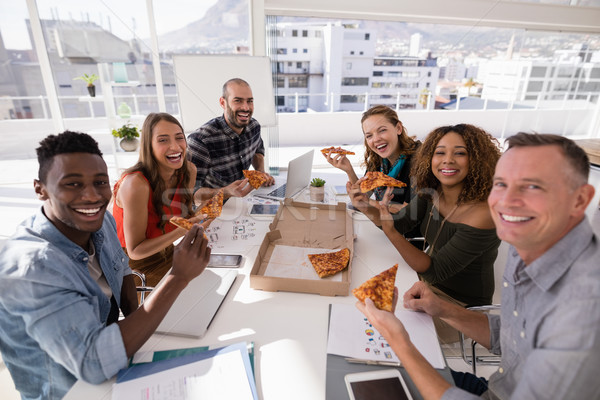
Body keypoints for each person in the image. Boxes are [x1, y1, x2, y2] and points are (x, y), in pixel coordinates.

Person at [357, 132, 600, 399]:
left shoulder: (581, 317)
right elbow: (507, 337)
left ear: (580, 200)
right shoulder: (526, 255)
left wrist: (399, 342)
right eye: (501, 184)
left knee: (371, 359)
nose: (506, 201)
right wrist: (443, 308)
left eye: (533, 186)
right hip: (492, 386)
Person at [0, 131, 211, 400]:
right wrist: (178, 278)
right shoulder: (33, 267)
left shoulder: (101, 222)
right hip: (73, 390)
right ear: (40, 189)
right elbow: (94, 364)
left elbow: (122, 271)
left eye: (100, 182)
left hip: (117, 364)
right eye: (72, 184)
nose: (91, 196)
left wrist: (144, 334)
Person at [352, 124, 502, 306]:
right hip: (421, 282)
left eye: (460, 153)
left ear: (478, 160)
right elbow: (402, 223)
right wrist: (364, 206)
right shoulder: (433, 191)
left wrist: (390, 232)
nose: (448, 160)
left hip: (459, 304)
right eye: (440, 153)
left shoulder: (483, 214)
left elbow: (435, 270)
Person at [113, 112, 208, 287]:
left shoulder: (188, 171)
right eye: (163, 140)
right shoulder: (136, 184)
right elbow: (135, 251)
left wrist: (206, 213)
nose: (175, 147)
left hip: (170, 253)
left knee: (213, 284)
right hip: (132, 269)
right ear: (149, 146)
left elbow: (185, 218)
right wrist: (184, 230)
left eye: (179, 138)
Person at [188, 78, 275, 202]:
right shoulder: (201, 141)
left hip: (242, 200)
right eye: (238, 101)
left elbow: (258, 150)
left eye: (249, 101)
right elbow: (189, 194)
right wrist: (226, 192)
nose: (246, 108)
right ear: (223, 103)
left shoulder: (254, 126)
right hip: (214, 209)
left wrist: (260, 172)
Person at [324, 105, 420, 218]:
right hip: (386, 222)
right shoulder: (378, 159)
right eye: (369, 136)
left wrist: (369, 202)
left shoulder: (419, 161)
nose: (376, 139)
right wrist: (349, 170)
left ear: (398, 128)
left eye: (382, 130)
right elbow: (364, 193)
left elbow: (408, 212)